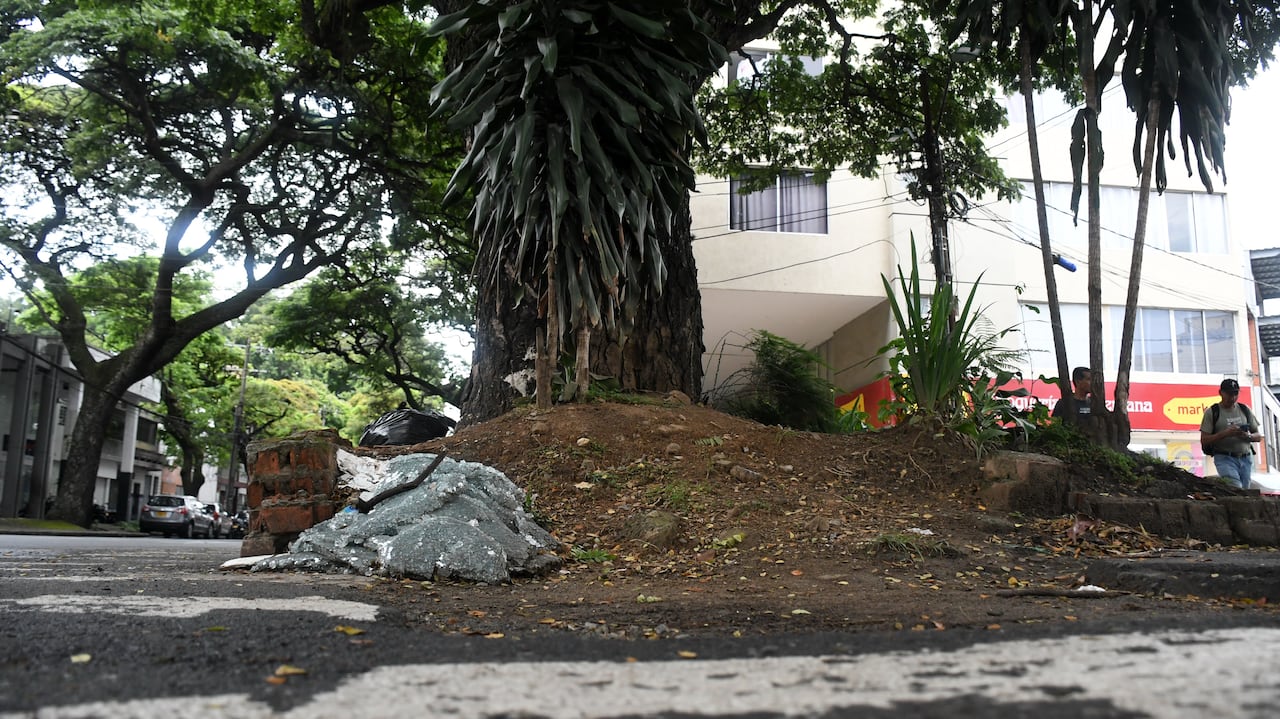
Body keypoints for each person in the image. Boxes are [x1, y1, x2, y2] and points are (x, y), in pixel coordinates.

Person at [1200, 378, 1261, 490]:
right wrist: (1225, 434)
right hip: (1224, 457)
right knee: (1235, 487)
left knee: (1245, 491)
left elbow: (1258, 436)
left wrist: (1247, 436)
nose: (1232, 398)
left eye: (1235, 394)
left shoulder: (1244, 409)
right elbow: (1204, 439)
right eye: (1229, 394)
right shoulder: (1212, 412)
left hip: (1245, 458)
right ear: (1221, 393)